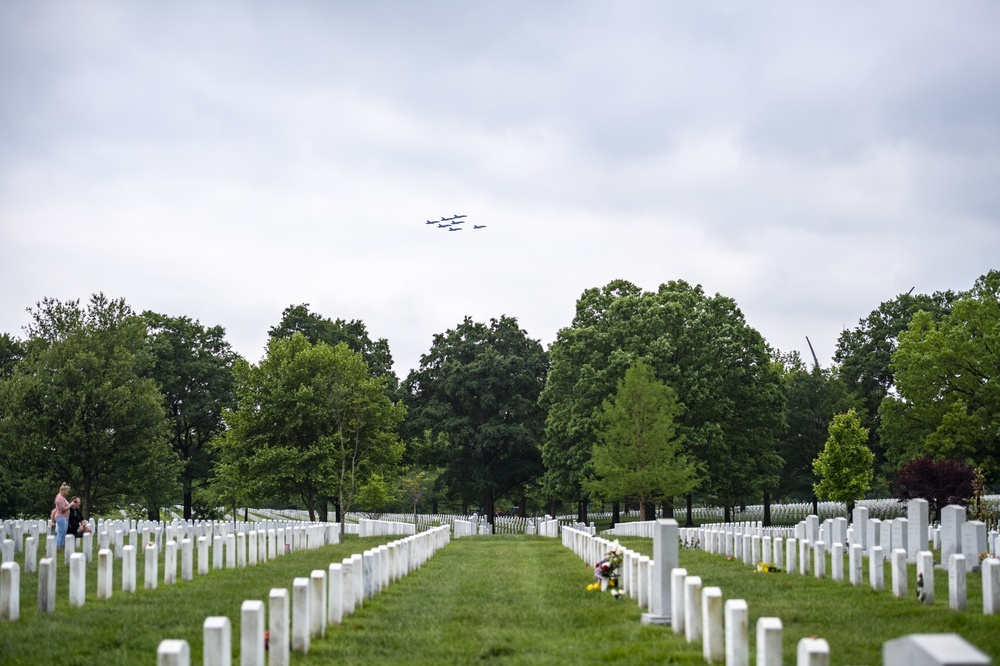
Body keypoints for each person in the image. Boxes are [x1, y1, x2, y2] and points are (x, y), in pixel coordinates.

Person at [53, 483, 71, 549]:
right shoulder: (60, 498)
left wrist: (63, 485)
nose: (67, 493)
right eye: (67, 491)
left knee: (64, 533)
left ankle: (62, 546)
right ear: (63, 491)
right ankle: (58, 546)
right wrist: (70, 505)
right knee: (60, 533)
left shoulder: (62, 497)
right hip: (61, 516)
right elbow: (62, 509)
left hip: (65, 517)